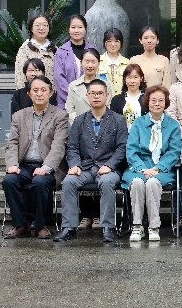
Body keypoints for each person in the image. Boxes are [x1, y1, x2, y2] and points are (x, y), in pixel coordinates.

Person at [54, 79, 127, 243]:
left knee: (107, 182)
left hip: (109, 168)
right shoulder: (79, 120)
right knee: (68, 182)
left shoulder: (118, 120)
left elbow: (122, 147)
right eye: (92, 93)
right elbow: (72, 147)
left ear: (107, 95)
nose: (96, 96)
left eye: (100, 93)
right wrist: (74, 165)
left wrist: (110, 165)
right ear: (87, 96)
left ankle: (107, 227)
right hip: (85, 167)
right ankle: (69, 228)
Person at [2, 75, 68, 240]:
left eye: (43, 90)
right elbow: (12, 143)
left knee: (39, 182)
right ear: (29, 94)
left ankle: (40, 226)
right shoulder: (19, 116)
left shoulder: (60, 116)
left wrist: (46, 167)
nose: (39, 94)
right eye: (35, 90)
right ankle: (21, 224)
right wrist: (12, 164)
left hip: (50, 167)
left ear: (51, 93)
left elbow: (58, 146)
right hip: (24, 166)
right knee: (9, 180)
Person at [123, 85, 182, 242]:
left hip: (162, 169)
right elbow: (131, 150)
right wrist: (143, 168)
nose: (157, 104)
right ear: (147, 102)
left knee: (152, 183)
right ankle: (137, 226)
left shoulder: (173, 125)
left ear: (166, 102)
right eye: (153, 100)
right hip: (139, 167)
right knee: (137, 182)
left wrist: (158, 168)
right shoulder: (138, 123)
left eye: (161, 100)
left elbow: (174, 151)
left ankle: (154, 227)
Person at [53, 14, 95, 109]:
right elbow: (59, 79)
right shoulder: (61, 52)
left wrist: (86, 98)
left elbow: (96, 76)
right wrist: (74, 98)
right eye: (73, 27)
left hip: (89, 103)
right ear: (68, 29)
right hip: (66, 105)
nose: (76, 30)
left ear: (85, 29)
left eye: (80, 27)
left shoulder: (92, 50)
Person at [65, 47, 105, 126]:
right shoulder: (73, 86)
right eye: (87, 62)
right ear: (81, 63)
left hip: (101, 128)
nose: (90, 65)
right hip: (79, 127)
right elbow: (70, 110)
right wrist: (81, 125)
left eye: (93, 62)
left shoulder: (105, 85)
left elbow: (107, 108)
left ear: (98, 63)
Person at [14, 12, 55, 88]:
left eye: (45, 25)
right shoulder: (24, 49)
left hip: (53, 93)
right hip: (33, 93)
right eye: (37, 25)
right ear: (31, 28)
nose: (41, 28)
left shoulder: (55, 49)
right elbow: (20, 77)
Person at [129, 26, 173, 90]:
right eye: (146, 38)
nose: (149, 41)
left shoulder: (164, 60)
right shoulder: (134, 60)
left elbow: (166, 86)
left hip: (158, 95)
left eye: (153, 38)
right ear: (140, 40)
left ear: (157, 40)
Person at [110, 63, 147, 129]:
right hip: (123, 135)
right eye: (129, 77)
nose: (132, 81)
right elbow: (113, 124)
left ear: (141, 78)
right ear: (125, 79)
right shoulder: (116, 100)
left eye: (135, 77)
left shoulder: (147, 99)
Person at [98, 28, 130, 95]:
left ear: (121, 43)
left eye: (116, 41)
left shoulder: (127, 63)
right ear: (104, 43)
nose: (113, 44)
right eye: (109, 41)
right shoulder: (97, 61)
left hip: (122, 99)